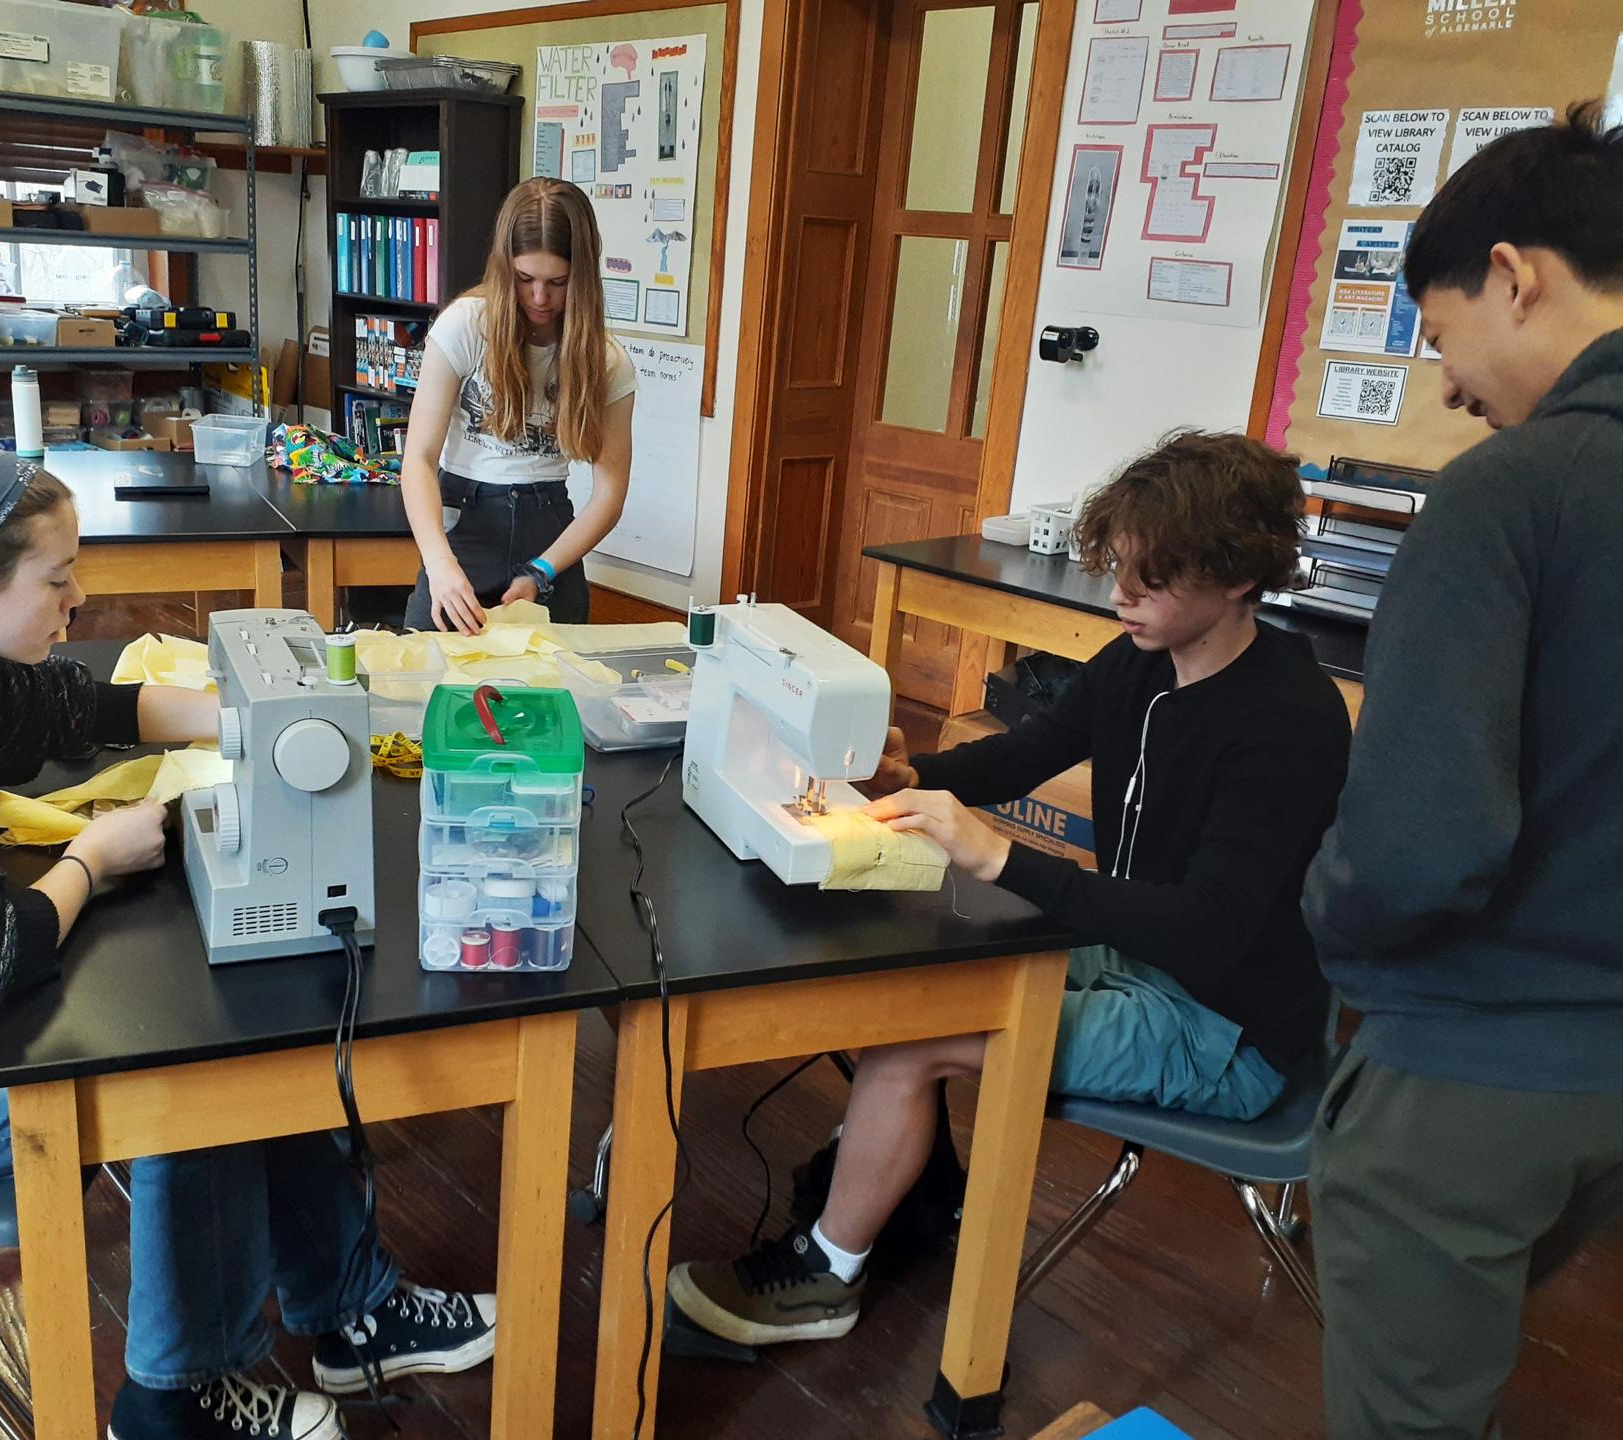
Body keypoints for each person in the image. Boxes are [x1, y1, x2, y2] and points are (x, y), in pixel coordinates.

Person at [0, 443, 496, 1440]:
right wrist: (91, 855)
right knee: (188, 1075)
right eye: (58, 577)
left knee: (266, 1032)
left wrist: (243, 718)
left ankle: (349, 1311)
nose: (77, 600)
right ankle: (175, 1399)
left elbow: (80, 706)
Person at [669, 431, 1351, 1347]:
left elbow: (1209, 932)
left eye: (1152, 578)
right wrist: (909, 774)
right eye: (1119, 569)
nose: (1121, 596)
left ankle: (825, 1278)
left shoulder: (1289, 723)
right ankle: (916, 1185)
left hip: (1224, 1028)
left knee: (911, 1040)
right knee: (902, 971)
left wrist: (999, 859)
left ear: (1236, 579)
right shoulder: (1142, 660)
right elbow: (1028, 751)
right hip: (1141, 953)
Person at [1302, 104, 1623, 1440]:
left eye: (1439, 335)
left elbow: (1421, 847)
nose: (1445, 386)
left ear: (1515, 275)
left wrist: (1322, 908)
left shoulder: (1509, 494)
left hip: (1474, 1070)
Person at [399, 176, 637, 635]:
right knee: (430, 684)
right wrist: (440, 566)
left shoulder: (608, 362)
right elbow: (419, 460)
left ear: (581, 277)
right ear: (504, 266)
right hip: (463, 527)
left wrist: (543, 571)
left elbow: (609, 494)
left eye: (558, 282)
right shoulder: (465, 327)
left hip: (549, 534)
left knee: (551, 694)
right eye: (525, 279)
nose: (540, 298)